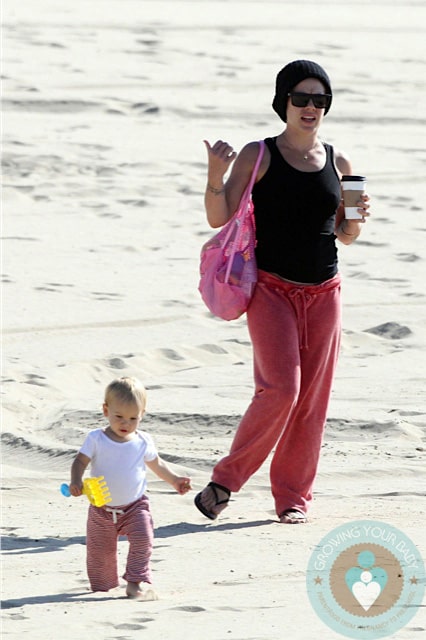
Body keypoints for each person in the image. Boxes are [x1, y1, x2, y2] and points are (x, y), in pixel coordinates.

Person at [194, 59, 370, 524]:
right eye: (301, 98)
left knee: (312, 401)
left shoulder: (341, 163)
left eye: (320, 100)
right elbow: (219, 217)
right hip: (271, 290)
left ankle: (292, 496)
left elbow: (347, 236)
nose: (310, 107)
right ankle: (223, 483)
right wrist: (216, 175)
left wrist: (356, 216)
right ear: (283, 103)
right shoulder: (260, 154)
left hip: (324, 293)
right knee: (280, 389)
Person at [69, 376, 191, 599]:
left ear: (142, 414)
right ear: (106, 410)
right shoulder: (96, 438)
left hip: (135, 506)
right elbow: (80, 461)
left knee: (144, 540)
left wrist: (174, 480)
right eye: (119, 417)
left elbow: (157, 464)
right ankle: (104, 584)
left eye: (133, 418)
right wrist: (76, 480)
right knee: (100, 559)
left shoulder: (143, 441)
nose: (125, 423)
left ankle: (134, 582)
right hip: (101, 510)